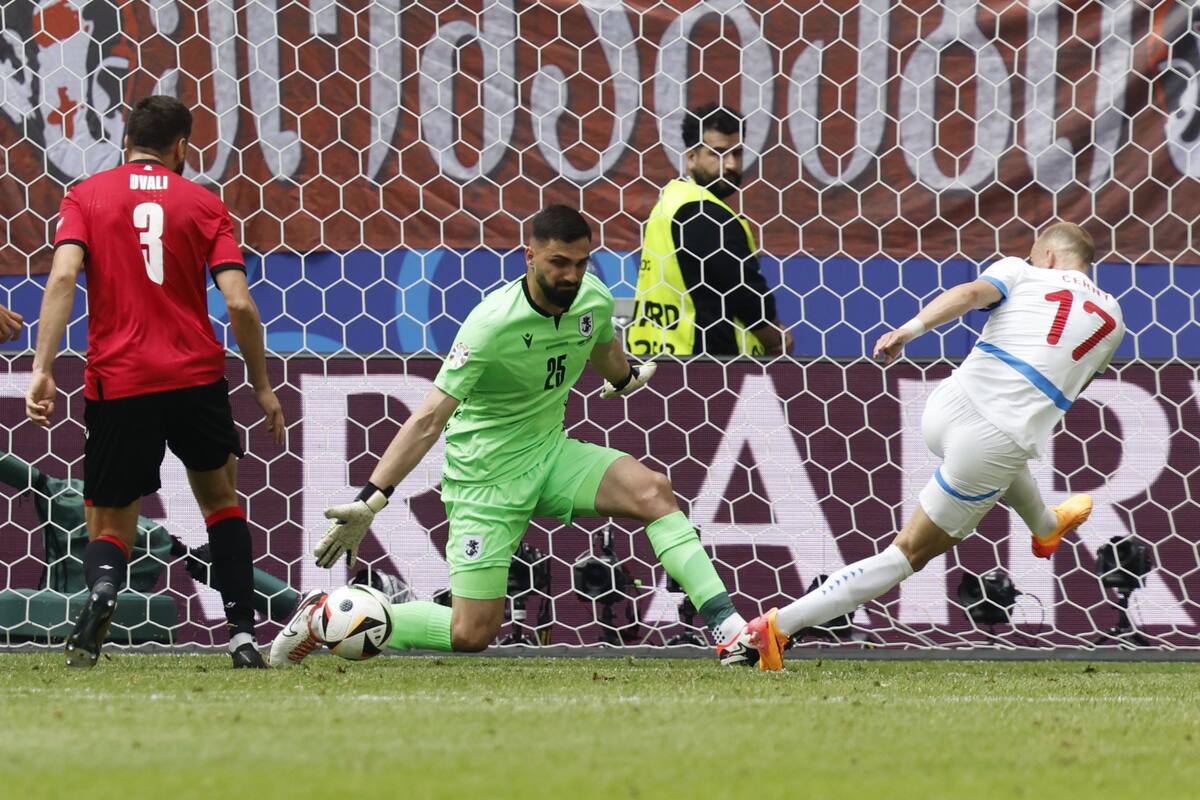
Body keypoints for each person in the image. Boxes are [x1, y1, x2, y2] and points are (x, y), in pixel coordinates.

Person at [269, 205, 758, 667]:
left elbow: (602, 347)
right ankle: (329, 613)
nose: (571, 275)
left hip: (551, 456)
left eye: (581, 263)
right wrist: (371, 501)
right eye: (558, 262)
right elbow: (428, 419)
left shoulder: (592, 297)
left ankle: (728, 627)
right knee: (471, 633)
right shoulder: (491, 324)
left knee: (654, 490)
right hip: (485, 479)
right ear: (530, 256)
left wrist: (625, 377)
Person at [745, 223, 1124, 670]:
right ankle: (776, 627)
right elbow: (1070, 386)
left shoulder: (1020, 271)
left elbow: (967, 294)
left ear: (1049, 256)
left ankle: (1045, 526)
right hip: (992, 441)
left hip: (946, 406)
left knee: (1005, 455)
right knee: (907, 553)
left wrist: (909, 330)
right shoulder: (1112, 320)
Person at [26, 95, 284, 669]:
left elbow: (65, 273)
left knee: (110, 518)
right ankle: (242, 636)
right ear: (182, 148)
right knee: (221, 503)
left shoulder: (86, 197)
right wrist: (262, 385)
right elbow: (240, 303)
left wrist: (42, 368)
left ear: (125, 142)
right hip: (196, 378)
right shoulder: (205, 204)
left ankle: (101, 593)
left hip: (120, 381)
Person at [627, 104, 792, 358]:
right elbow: (745, 292)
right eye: (718, 153)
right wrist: (775, 338)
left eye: (737, 153)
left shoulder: (670, 201)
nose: (731, 164)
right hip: (708, 366)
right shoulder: (705, 214)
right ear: (691, 157)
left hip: (656, 355)